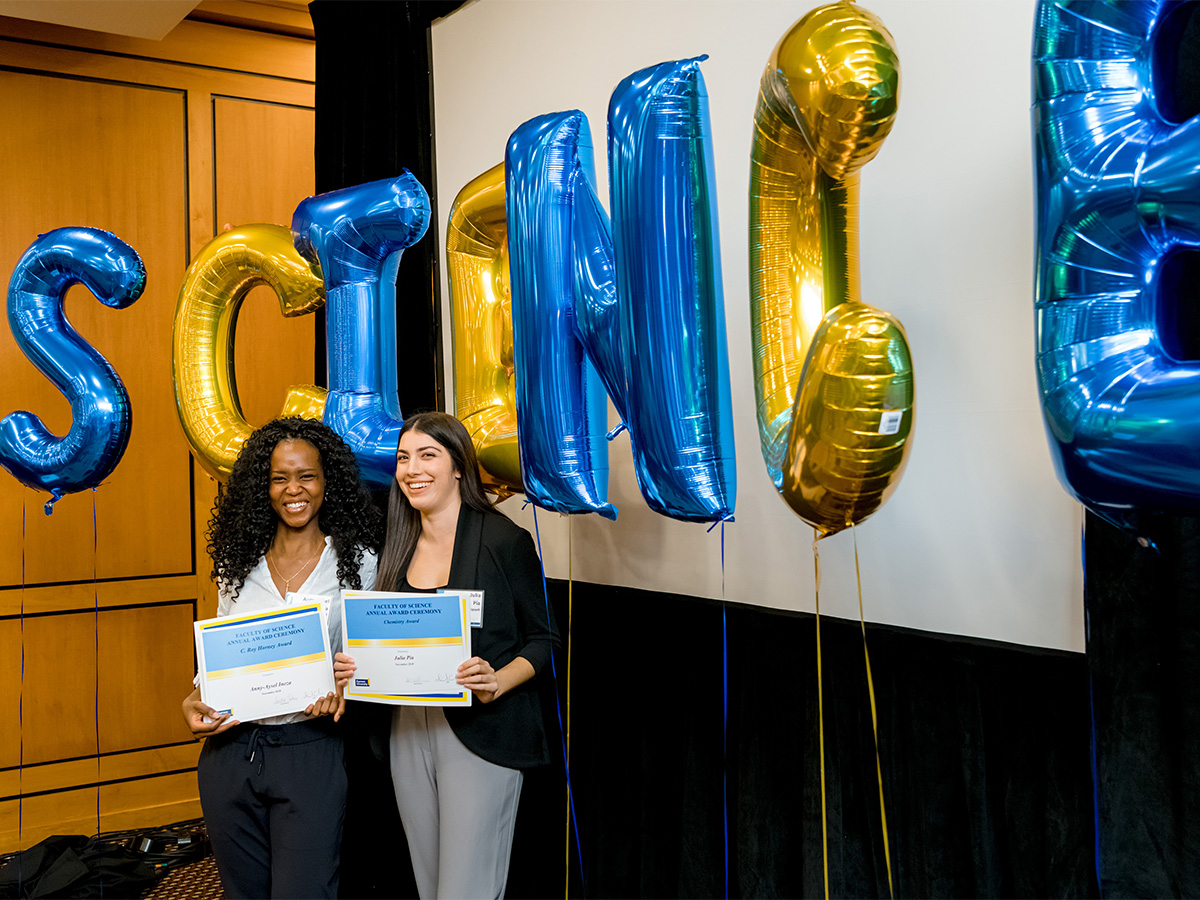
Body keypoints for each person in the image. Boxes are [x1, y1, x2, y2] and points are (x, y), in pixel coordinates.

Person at [334, 411, 560, 900]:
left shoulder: (504, 540)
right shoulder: (395, 544)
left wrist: (497, 679)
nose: (412, 468)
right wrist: (356, 665)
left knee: (467, 890)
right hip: (406, 732)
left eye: (427, 455)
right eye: (402, 458)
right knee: (432, 885)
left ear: (458, 465)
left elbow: (545, 642)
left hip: (483, 735)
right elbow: (383, 640)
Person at [180, 417, 381, 899]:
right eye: (279, 477)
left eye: (307, 476)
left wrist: (345, 690)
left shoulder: (359, 562)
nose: (294, 489)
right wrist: (193, 698)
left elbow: (368, 662)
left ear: (327, 482)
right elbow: (220, 659)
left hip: (309, 750)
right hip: (230, 754)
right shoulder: (237, 562)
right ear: (262, 485)